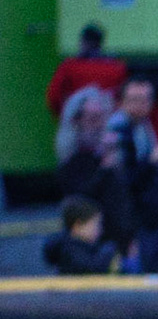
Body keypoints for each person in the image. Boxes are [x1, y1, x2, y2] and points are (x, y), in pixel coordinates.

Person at [56, 87, 133, 264]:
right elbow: (80, 200)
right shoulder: (71, 161)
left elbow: (124, 200)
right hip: (87, 247)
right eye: (92, 118)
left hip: (121, 242)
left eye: (101, 117)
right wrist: (105, 169)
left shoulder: (114, 154)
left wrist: (130, 237)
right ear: (76, 120)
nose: (98, 125)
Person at [110, 77, 158, 273]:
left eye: (146, 99)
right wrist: (152, 160)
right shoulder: (118, 129)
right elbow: (122, 179)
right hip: (130, 217)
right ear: (121, 101)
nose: (142, 105)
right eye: (135, 99)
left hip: (146, 214)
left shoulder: (142, 125)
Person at [47, 23, 126, 123]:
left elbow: (53, 96)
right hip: (108, 123)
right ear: (101, 42)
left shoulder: (69, 66)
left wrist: (66, 115)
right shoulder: (117, 67)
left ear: (83, 41)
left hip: (76, 122)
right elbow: (124, 99)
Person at [42, 195, 118, 275]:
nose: (100, 229)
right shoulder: (68, 250)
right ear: (77, 225)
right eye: (95, 224)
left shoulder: (87, 248)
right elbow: (92, 269)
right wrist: (108, 251)